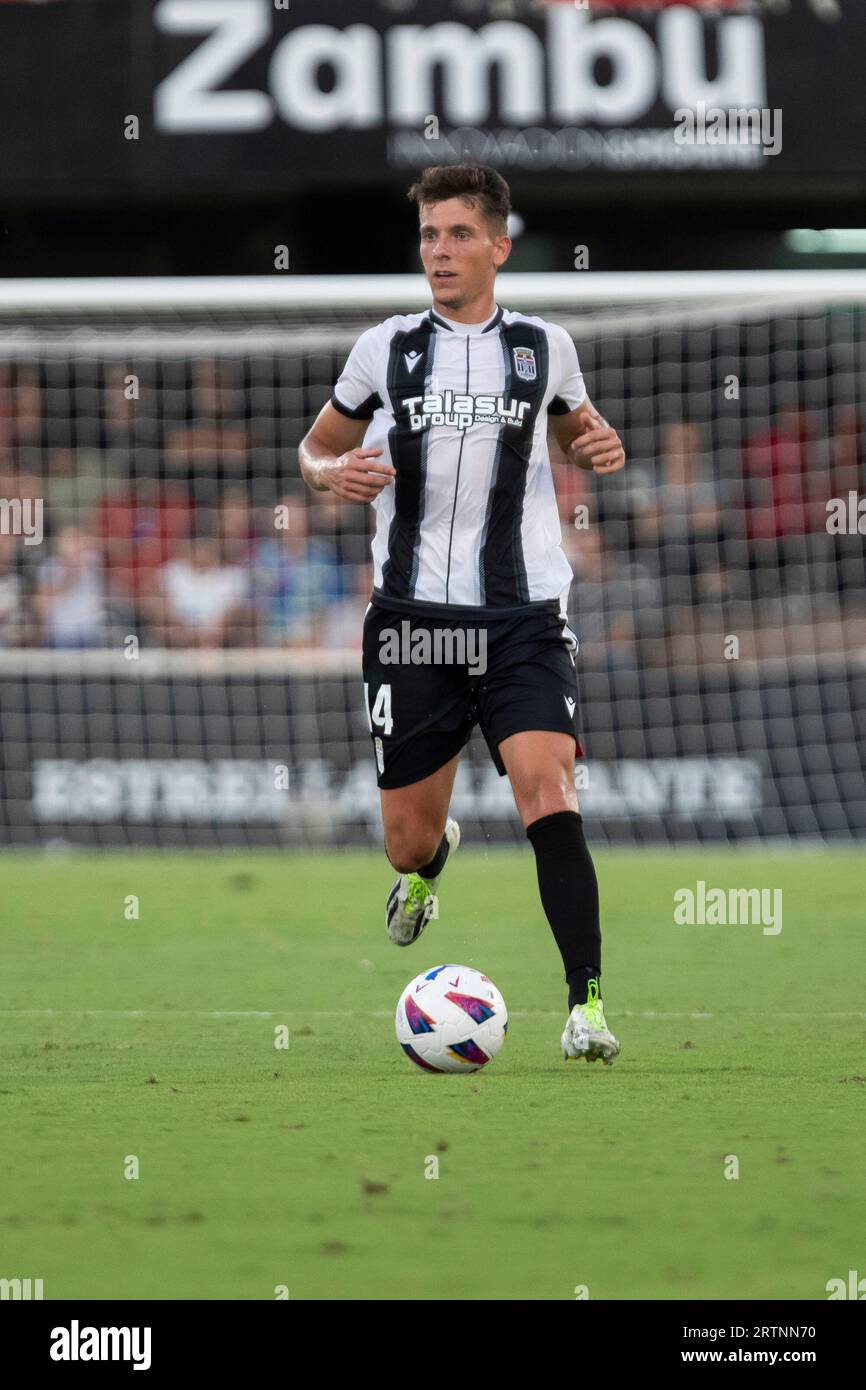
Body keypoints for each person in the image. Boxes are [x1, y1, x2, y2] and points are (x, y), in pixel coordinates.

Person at [299, 165, 626, 1066]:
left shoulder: (543, 347)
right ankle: (432, 862)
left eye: (457, 236)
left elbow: (574, 427)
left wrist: (598, 442)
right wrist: (331, 476)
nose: (439, 252)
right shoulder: (385, 350)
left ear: (498, 247)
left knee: (548, 790)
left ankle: (586, 1005)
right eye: (429, 237)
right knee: (405, 842)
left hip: (523, 614)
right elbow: (316, 449)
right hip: (412, 622)